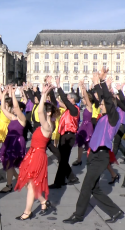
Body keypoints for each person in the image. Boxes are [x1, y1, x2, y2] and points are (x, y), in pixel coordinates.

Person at [63, 68, 124, 224]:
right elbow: (99, 98)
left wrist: (102, 83)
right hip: (94, 155)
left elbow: (108, 101)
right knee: (94, 189)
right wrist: (98, 83)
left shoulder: (113, 117)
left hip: (101, 156)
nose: (101, 104)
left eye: (103, 104)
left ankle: (78, 215)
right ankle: (116, 212)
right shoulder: (103, 117)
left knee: (85, 187)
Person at [15, 83, 58, 220]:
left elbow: (40, 112)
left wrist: (44, 94)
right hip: (33, 153)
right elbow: (40, 111)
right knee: (29, 183)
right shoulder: (45, 124)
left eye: (45, 111)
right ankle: (44, 201)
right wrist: (43, 95)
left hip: (38, 155)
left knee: (32, 185)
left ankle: (27, 212)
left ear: (49, 113)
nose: (42, 112)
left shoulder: (47, 125)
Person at [49, 76, 80, 189]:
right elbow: (55, 102)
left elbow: (64, 100)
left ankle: (59, 182)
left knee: (63, 160)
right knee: (62, 159)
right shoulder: (68, 109)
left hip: (68, 136)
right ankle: (70, 178)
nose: (66, 99)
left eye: (68, 98)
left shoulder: (74, 109)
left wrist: (59, 85)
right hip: (64, 135)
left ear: (72, 100)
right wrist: (51, 89)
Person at [0, 86, 26, 193]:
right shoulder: (13, 118)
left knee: (10, 163)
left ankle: (9, 185)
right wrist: (4, 94)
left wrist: (13, 93)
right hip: (9, 141)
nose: (13, 109)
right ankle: (19, 178)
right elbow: (3, 109)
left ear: (21, 109)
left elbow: (16, 106)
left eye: (16, 108)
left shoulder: (22, 119)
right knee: (9, 163)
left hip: (17, 142)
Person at [72, 80, 93, 166]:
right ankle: (79, 159)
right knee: (80, 143)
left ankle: (91, 159)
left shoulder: (89, 106)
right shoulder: (86, 107)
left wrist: (84, 88)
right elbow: (84, 96)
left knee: (89, 144)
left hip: (88, 126)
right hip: (83, 125)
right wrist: (81, 87)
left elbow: (86, 97)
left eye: (84, 99)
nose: (83, 100)